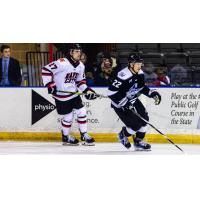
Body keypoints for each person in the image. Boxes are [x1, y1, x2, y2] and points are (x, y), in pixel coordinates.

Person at [42, 44, 98, 146]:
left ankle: (84, 134)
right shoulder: (62, 62)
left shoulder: (81, 66)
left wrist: (87, 90)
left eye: (80, 51)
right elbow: (46, 70)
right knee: (68, 116)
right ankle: (66, 136)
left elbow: (80, 81)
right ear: (71, 52)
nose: (79, 53)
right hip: (61, 95)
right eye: (76, 51)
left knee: (82, 111)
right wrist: (50, 84)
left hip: (73, 94)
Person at [107, 53, 161, 151]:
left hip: (132, 99)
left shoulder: (140, 73)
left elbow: (141, 88)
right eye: (137, 64)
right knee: (135, 125)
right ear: (131, 64)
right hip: (120, 103)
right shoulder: (123, 75)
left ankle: (138, 141)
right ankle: (122, 134)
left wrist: (152, 93)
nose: (140, 66)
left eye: (141, 64)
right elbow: (111, 92)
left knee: (145, 119)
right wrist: (124, 103)